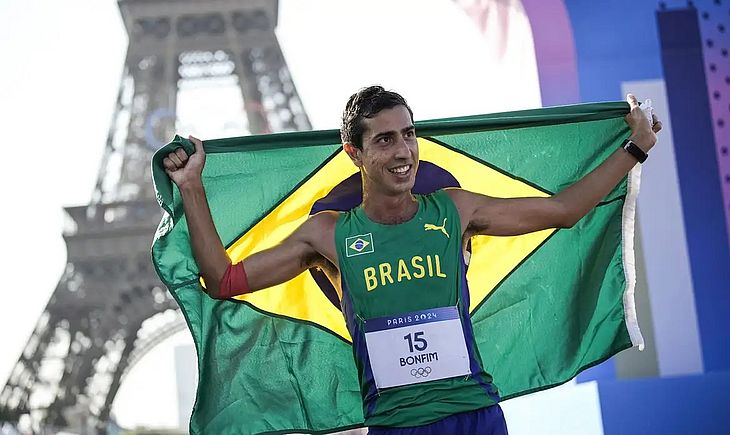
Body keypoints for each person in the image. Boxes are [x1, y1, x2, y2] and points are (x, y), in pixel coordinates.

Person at [162, 86, 662, 434]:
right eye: (384, 139)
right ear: (353, 152)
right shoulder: (329, 236)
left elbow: (565, 210)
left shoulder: (455, 209)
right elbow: (223, 279)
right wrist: (192, 189)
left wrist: (635, 148)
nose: (404, 150)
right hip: (396, 426)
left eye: (408, 134)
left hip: (475, 416)